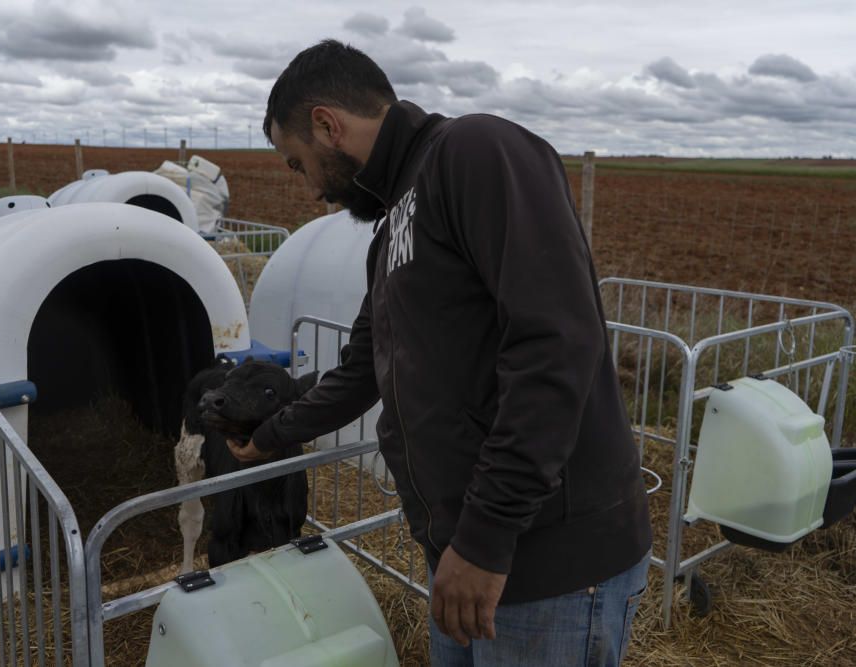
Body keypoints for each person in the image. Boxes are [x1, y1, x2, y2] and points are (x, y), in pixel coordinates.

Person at [228, 39, 652, 666]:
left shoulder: (473, 153)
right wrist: (271, 434)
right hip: (465, 561)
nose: (310, 191)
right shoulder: (394, 226)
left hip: (540, 566)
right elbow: (361, 371)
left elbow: (556, 346)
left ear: (327, 125)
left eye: (298, 164)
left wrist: (485, 539)